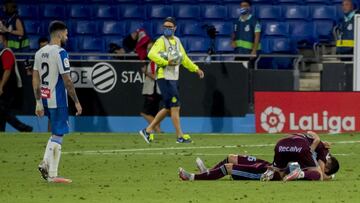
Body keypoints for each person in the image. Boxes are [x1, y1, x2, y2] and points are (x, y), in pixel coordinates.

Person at [139, 17, 204, 144]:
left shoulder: (177, 41)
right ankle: (180, 136)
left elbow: (184, 58)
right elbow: (151, 54)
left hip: (173, 77)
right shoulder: (161, 41)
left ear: (175, 28)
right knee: (175, 105)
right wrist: (165, 62)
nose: (167, 29)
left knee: (169, 107)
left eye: (169, 27)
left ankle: (148, 130)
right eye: (165, 27)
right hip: (164, 77)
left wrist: (196, 69)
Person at [33, 20, 82, 183]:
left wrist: (38, 102)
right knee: (59, 134)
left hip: (45, 98)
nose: (67, 37)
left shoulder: (39, 53)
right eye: (66, 34)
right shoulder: (61, 53)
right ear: (60, 34)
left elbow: (35, 78)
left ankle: (52, 174)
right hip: (58, 99)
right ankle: (46, 165)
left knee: (56, 132)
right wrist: (76, 101)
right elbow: (67, 80)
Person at [261, 131, 339, 181]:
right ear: (327, 169)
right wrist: (330, 177)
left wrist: (318, 139)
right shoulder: (324, 153)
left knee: (280, 173)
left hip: (281, 143)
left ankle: (271, 173)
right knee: (319, 175)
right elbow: (322, 174)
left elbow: (310, 132)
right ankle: (300, 174)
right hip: (300, 145)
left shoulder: (317, 142)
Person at [0, 34, 32, 132]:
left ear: (4, 40)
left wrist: (0, 87)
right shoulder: (2, 53)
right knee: (2, 112)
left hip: (8, 89)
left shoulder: (6, 53)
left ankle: (23, 128)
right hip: (6, 88)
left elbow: (8, 70)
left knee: (3, 112)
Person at [179, 155, 275, 181]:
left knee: (227, 168)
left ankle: (192, 177)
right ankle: (208, 172)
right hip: (269, 164)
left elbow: (289, 171)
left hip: (267, 172)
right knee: (231, 158)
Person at [140, 41, 162, 133]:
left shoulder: (154, 62)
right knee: (155, 114)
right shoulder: (153, 61)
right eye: (148, 48)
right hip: (156, 91)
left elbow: (155, 76)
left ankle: (158, 130)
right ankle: (158, 132)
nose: (148, 50)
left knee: (145, 113)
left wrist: (145, 72)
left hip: (152, 91)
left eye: (150, 48)